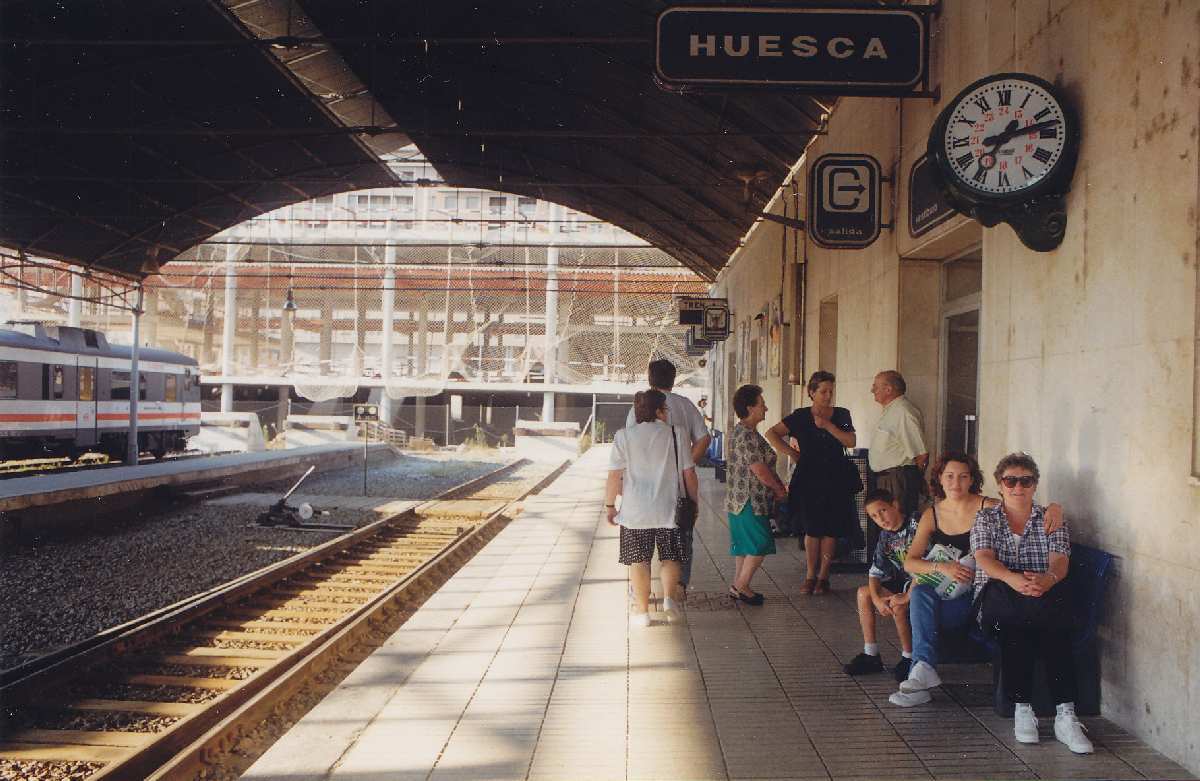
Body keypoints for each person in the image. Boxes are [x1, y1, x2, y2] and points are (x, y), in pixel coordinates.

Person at [889, 453, 1064, 707]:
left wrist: (1055, 507)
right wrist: (943, 567)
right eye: (949, 476)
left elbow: (1020, 507)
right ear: (939, 478)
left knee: (919, 602)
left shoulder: (988, 507)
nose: (955, 483)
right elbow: (910, 562)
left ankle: (920, 674)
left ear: (973, 479)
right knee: (920, 593)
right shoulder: (932, 515)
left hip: (977, 598)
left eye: (963, 476)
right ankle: (922, 670)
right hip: (948, 595)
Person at [972, 453, 1093, 754]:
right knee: (1024, 619)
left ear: (1035, 485)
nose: (1017, 487)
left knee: (1038, 625)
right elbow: (984, 558)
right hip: (998, 596)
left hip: (1040, 595)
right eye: (1010, 480)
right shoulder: (986, 517)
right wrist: (1013, 580)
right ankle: (1025, 709)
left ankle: (1063, 715)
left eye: (1025, 480)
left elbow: (1060, 561)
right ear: (1000, 485)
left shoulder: (1051, 518)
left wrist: (1048, 580)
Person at [606, 389, 699, 627]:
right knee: (670, 558)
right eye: (665, 409)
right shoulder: (676, 434)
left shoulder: (623, 436)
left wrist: (609, 506)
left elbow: (614, 476)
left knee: (639, 561)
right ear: (658, 411)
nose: (667, 413)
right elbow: (689, 474)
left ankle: (643, 612)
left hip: (635, 512)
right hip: (669, 509)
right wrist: (694, 502)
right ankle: (668, 600)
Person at [764, 370, 857, 595]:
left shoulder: (842, 415)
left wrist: (828, 426)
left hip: (836, 476)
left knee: (831, 528)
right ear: (812, 392)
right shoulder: (800, 416)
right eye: (823, 391)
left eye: (830, 392)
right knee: (812, 528)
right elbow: (772, 433)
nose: (827, 396)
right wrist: (792, 454)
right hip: (809, 476)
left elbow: (851, 441)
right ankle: (809, 574)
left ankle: (824, 576)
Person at [625, 359, 710, 591]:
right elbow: (704, 437)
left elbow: (630, 443)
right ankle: (678, 588)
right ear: (673, 379)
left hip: (643, 488)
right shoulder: (684, 404)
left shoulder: (638, 407)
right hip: (677, 487)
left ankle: (640, 591)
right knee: (680, 538)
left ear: (650, 378)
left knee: (642, 543)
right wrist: (686, 463)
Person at [843, 488, 917, 681]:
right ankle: (871, 654)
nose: (881, 519)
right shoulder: (885, 536)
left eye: (883, 510)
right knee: (864, 593)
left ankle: (909, 657)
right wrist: (876, 599)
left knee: (897, 604)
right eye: (874, 516)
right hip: (901, 582)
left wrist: (906, 594)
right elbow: (875, 573)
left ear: (895, 504)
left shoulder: (915, 523)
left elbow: (927, 561)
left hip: (922, 582)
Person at [725, 384, 787, 605]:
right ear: (750, 407)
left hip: (739, 499)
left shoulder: (742, 432)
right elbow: (759, 469)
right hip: (749, 500)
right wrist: (779, 489)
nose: (766, 408)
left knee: (745, 546)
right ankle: (740, 586)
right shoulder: (747, 436)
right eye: (762, 404)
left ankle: (739, 585)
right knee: (759, 543)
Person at [868, 370, 928, 521]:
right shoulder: (891, 411)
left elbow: (921, 454)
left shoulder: (903, 411)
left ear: (888, 389)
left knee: (899, 525)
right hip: (885, 479)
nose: (872, 390)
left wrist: (914, 481)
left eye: (876, 386)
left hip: (898, 479)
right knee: (886, 529)